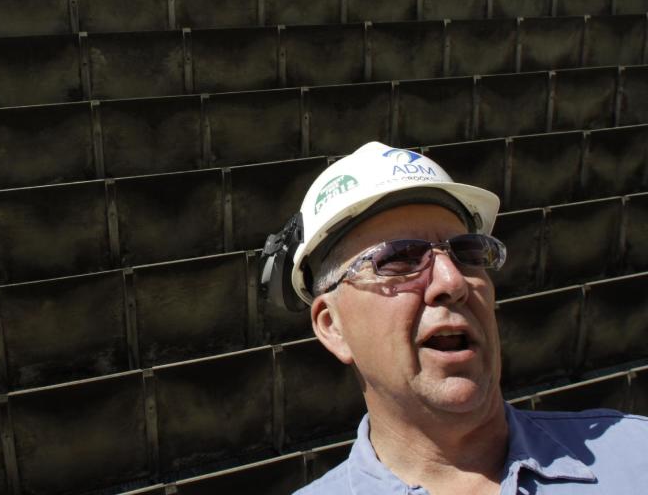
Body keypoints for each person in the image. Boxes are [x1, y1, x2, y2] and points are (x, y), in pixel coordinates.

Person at [260, 141, 648, 494]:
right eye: (399, 258)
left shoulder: (636, 456)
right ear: (332, 326)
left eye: (467, 252)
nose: (452, 281)